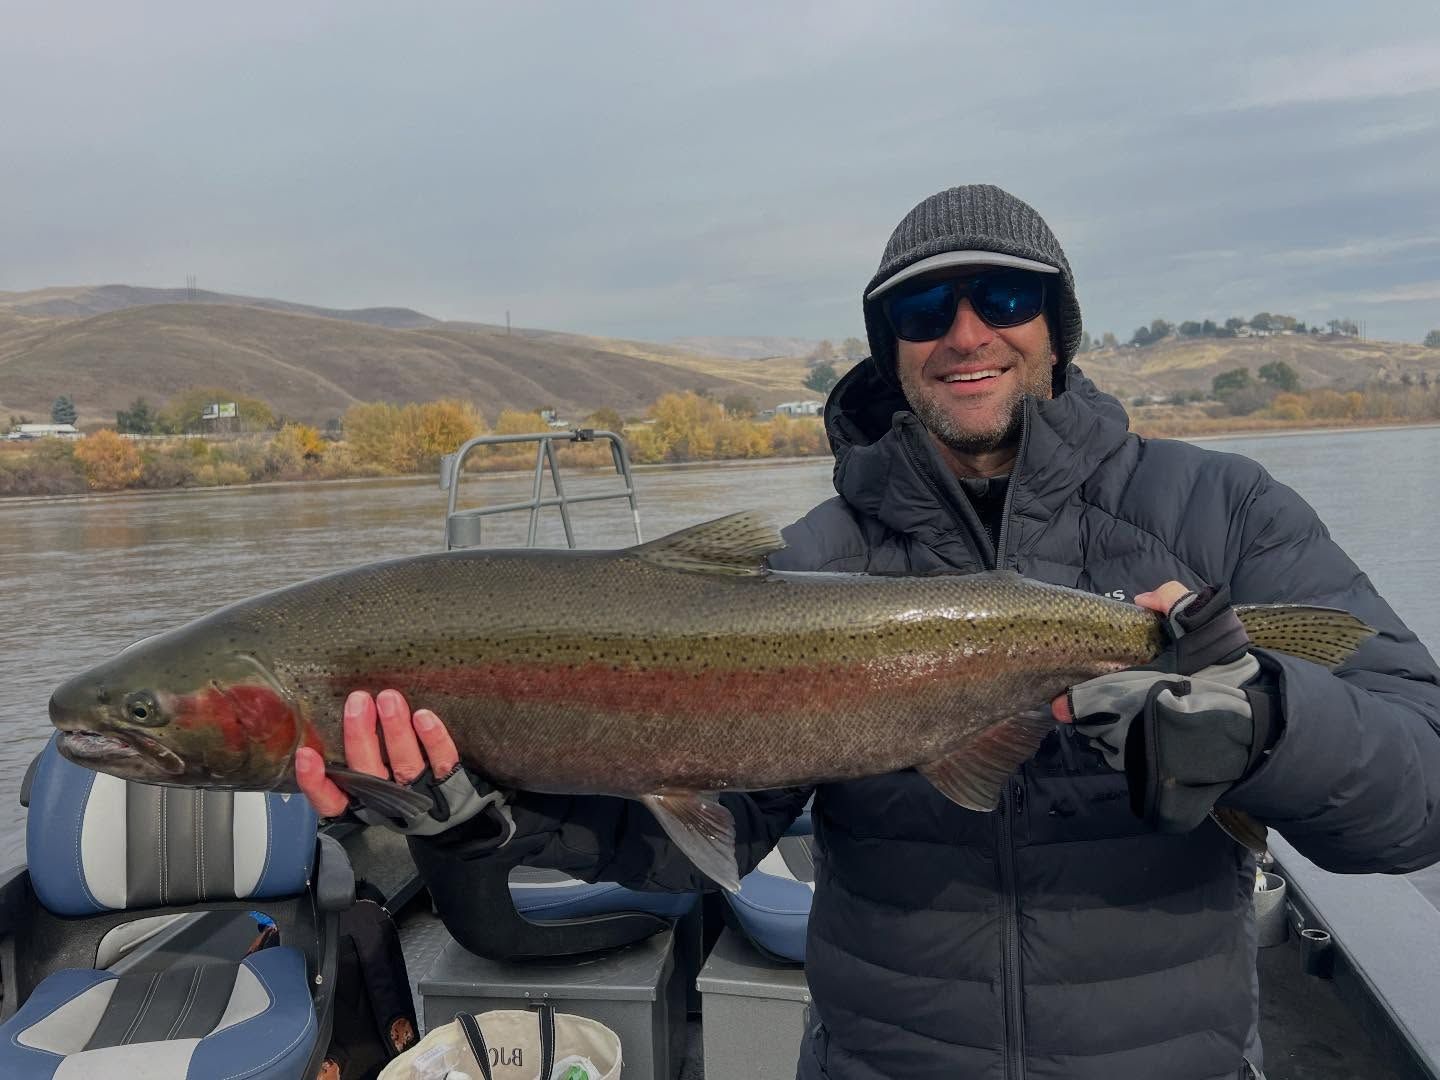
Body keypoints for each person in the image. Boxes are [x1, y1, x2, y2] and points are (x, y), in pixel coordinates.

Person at [298, 184, 1440, 1080]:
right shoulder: (807, 563)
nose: (962, 333)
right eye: (919, 309)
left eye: (1001, 296)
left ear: (1058, 324)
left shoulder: (1224, 512)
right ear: (887, 347)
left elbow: (1420, 786)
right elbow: (694, 833)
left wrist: (1268, 725)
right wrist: (486, 819)